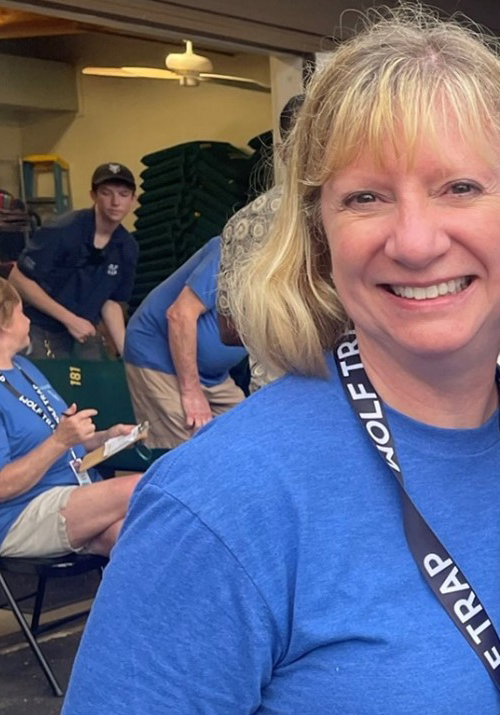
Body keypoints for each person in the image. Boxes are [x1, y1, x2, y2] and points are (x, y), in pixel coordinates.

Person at [64, 11, 500, 714]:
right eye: (365, 197)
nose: (414, 241)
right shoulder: (221, 501)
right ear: (321, 237)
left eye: (459, 187)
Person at [0, 279, 140, 558]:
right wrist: (60, 441)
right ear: (3, 323)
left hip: (76, 493)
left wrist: (105, 438)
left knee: (136, 537)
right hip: (21, 512)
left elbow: (58, 437)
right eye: (21, 312)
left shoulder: (24, 367)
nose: (28, 319)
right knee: (145, 485)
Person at [215, 94, 304, 391]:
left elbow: (230, 329)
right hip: (351, 394)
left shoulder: (244, 222)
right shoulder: (361, 212)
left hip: (273, 391)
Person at [122, 237, 247, 449]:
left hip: (214, 376)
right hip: (158, 359)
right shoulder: (234, 249)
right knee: (188, 454)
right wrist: (192, 392)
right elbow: (179, 315)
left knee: (248, 437)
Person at [7, 162, 138, 361]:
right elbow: (18, 278)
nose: (115, 202)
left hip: (83, 333)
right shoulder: (63, 230)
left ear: (133, 200)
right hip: (40, 327)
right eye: (106, 193)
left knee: (95, 384)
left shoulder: (127, 247)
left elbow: (110, 302)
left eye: (123, 194)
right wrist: (70, 320)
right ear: (93, 196)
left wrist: (128, 355)